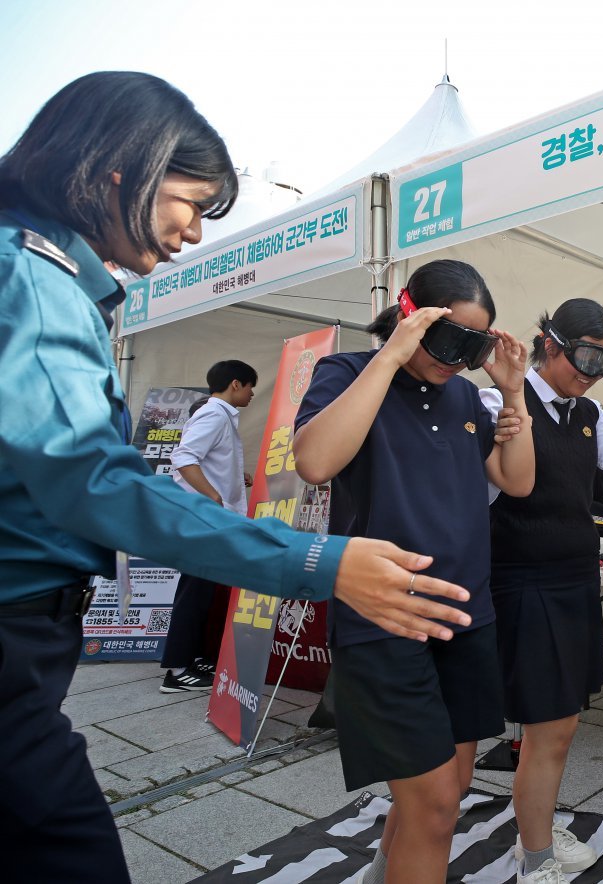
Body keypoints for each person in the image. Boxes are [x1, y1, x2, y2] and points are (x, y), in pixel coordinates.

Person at [0, 72, 473, 884]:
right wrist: (316, 562)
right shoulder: (32, 279)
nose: (191, 232)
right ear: (121, 170)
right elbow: (93, 478)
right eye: (192, 202)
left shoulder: (52, 281)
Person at [292, 259, 535, 884]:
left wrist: (511, 392)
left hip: (464, 616)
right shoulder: (347, 372)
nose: (455, 358)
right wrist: (392, 355)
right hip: (385, 617)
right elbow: (315, 461)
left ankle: (387, 872)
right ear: (408, 314)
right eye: (445, 336)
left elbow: (517, 479)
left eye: (472, 345)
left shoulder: (466, 398)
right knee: (432, 806)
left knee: (446, 792)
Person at [483, 298, 603, 884]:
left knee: (561, 720)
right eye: (584, 355)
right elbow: (498, 489)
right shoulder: (501, 398)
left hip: (575, 577)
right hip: (524, 579)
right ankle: (534, 857)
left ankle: (536, 826)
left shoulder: (585, 411)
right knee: (547, 723)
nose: (591, 370)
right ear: (549, 343)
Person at [160, 360, 258, 692]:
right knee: (194, 592)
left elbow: (209, 460)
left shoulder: (221, 416)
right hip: (205, 519)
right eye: (249, 386)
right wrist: (213, 496)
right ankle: (175, 669)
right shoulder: (214, 414)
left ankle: (194, 657)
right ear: (235, 384)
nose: (251, 393)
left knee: (202, 593)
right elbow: (185, 458)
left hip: (212, 518)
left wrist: (232, 480)